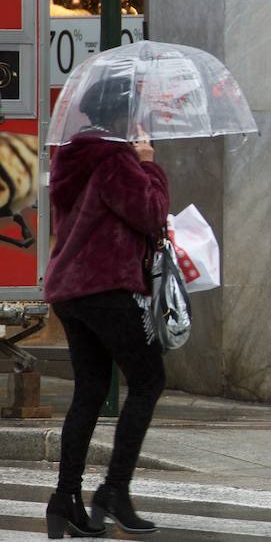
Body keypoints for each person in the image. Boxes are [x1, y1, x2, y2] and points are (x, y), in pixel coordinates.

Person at [42, 74, 168, 537]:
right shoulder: (116, 159)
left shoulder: (71, 155)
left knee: (91, 390)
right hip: (105, 288)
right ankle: (114, 489)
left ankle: (65, 497)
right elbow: (152, 215)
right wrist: (150, 165)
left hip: (69, 289)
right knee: (149, 378)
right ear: (124, 115)